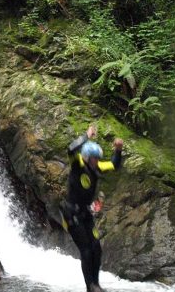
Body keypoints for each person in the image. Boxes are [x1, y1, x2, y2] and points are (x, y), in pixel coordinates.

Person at [60, 124, 124, 292]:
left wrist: (118, 150)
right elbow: (71, 149)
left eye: (98, 158)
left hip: (85, 214)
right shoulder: (77, 164)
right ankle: (90, 286)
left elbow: (114, 165)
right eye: (94, 158)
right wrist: (86, 135)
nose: (96, 161)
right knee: (86, 250)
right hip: (71, 214)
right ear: (87, 158)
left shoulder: (97, 167)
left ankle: (96, 285)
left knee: (96, 248)